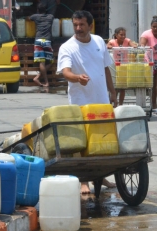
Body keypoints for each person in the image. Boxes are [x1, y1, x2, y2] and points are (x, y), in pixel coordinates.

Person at [57, 10, 117, 194]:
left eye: (82, 24)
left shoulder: (99, 41)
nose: (78, 28)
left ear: (90, 25)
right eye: (75, 25)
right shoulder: (67, 47)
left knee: (101, 140)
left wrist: (112, 92)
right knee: (82, 142)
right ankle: (83, 180)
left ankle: (101, 176)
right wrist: (76, 78)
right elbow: (65, 71)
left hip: (101, 100)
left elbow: (105, 68)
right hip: (80, 102)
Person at [107, 27, 137, 105]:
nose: (123, 36)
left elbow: (132, 44)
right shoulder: (112, 41)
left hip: (124, 67)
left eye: (124, 35)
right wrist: (109, 46)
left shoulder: (127, 41)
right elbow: (108, 45)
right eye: (121, 35)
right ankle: (114, 103)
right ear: (116, 35)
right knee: (115, 87)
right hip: (115, 66)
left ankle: (120, 104)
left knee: (122, 87)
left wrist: (134, 46)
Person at [29, 3, 54, 87]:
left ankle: (39, 78)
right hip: (47, 41)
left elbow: (28, 18)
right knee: (50, 61)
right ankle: (42, 80)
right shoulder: (50, 17)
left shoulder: (35, 17)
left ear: (38, 10)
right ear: (46, 10)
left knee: (42, 62)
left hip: (38, 40)